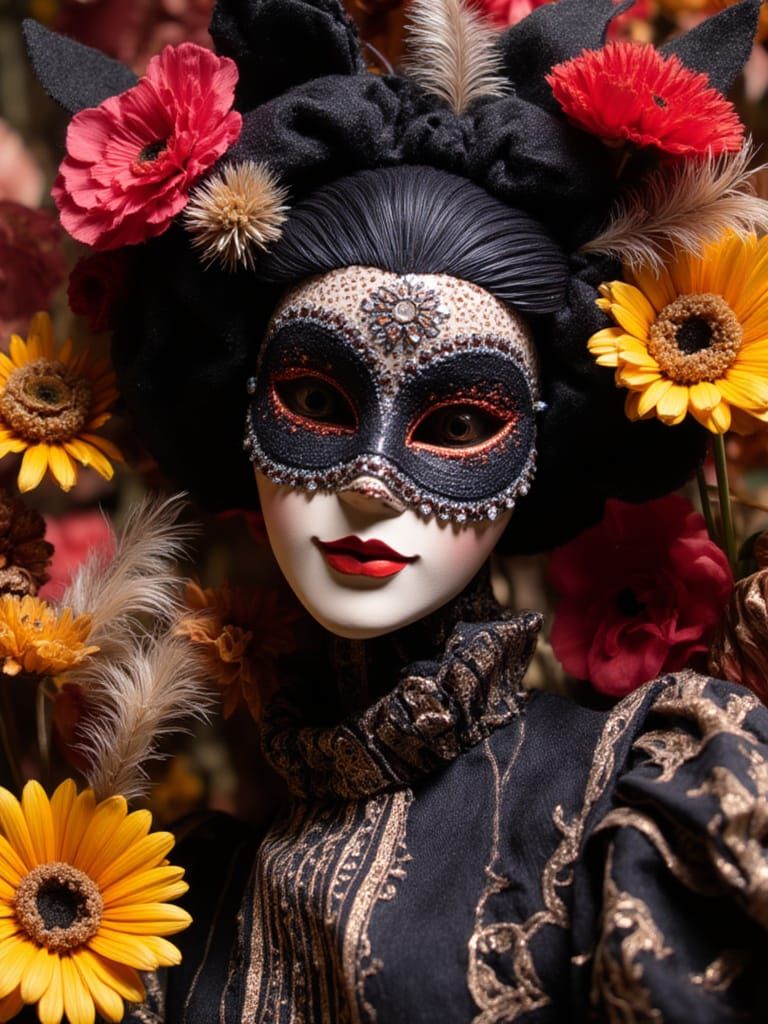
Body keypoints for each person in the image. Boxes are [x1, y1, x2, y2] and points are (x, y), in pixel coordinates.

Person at [25, 0, 768, 1019]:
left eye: (457, 422)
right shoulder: (165, 910)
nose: (370, 483)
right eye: (316, 401)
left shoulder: (641, 794)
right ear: (236, 408)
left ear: (545, 441)